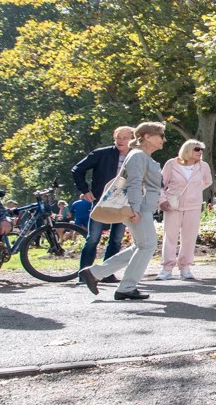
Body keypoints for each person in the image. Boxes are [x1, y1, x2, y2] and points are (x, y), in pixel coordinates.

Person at [77, 122, 166, 301]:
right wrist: (134, 209)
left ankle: (94, 273)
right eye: (161, 135)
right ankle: (126, 287)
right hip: (138, 208)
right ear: (147, 137)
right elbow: (133, 183)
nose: (164, 139)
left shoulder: (142, 156)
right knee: (147, 246)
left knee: (141, 246)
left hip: (142, 207)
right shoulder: (138, 156)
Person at [71, 126, 136, 271]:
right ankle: (84, 273)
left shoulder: (137, 156)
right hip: (101, 201)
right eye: (118, 137)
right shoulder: (102, 153)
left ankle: (106, 273)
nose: (120, 141)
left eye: (125, 138)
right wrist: (85, 190)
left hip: (125, 203)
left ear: (133, 139)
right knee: (93, 238)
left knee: (116, 240)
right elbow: (77, 170)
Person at [158, 139, 212, 280]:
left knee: (189, 237)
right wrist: (162, 200)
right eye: (197, 149)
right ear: (187, 150)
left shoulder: (203, 166)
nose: (200, 152)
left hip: (193, 206)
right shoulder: (171, 164)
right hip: (173, 205)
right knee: (170, 236)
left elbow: (208, 181)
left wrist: (194, 192)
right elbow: (161, 183)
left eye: (201, 150)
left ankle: (185, 267)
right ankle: (167, 268)